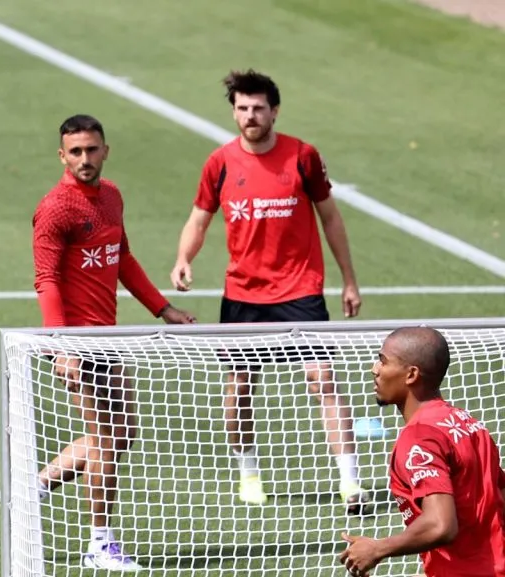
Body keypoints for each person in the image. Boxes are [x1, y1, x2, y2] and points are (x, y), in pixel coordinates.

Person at [169, 69, 370, 512]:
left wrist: (348, 279)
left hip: (300, 288)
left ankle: (351, 483)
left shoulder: (302, 156)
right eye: (242, 108)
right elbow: (199, 219)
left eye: (259, 107)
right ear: (234, 112)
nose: (250, 115)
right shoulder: (219, 163)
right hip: (244, 294)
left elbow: (330, 217)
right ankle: (248, 476)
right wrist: (185, 258)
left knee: (324, 382)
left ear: (274, 110)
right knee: (239, 387)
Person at [29, 114, 196, 571]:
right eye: (76, 152)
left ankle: (34, 484)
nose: (85, 159)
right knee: (106, 438)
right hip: (78, 342)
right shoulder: (56, 208)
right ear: (62, 156)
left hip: (109, 337)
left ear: (106, 150)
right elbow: (46, 280)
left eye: (92, 149)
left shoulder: (112, 197)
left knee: (121, 434)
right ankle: (100, 543)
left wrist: (164, 309)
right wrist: (61, 344)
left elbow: (122, 259)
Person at [340, 326, 505, 577]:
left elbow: (441, 525)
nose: (375, 369)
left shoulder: (420, 436)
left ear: (411, 375)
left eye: (383, 361)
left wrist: (377, 549)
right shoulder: (468, 423)